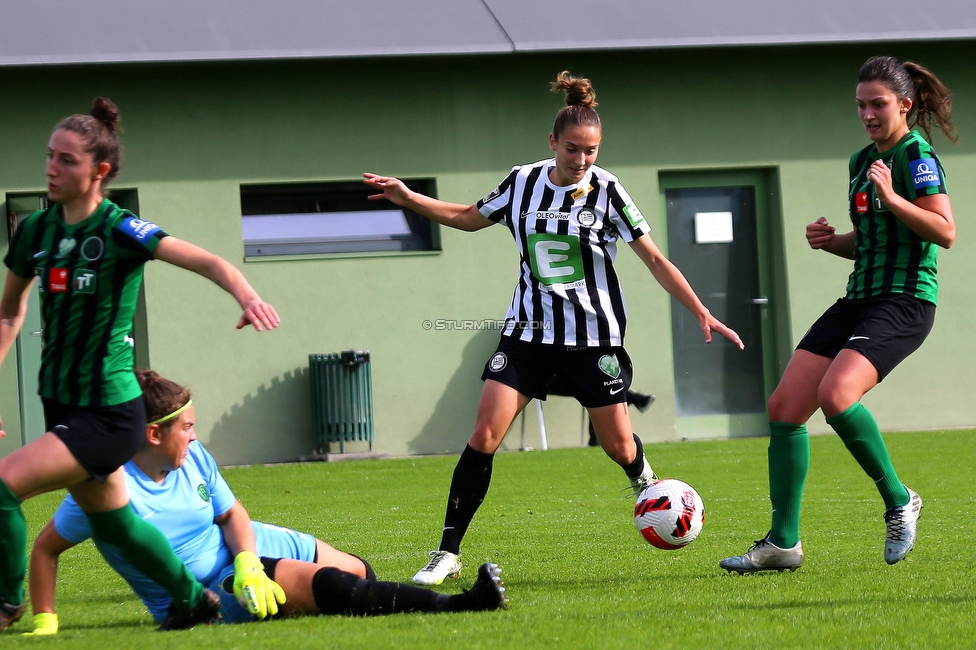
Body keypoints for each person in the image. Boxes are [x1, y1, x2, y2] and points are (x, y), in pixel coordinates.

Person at [364, 71, 744, 586]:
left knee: (619, 447)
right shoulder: (522, 181)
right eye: (573, 150)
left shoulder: (608, 190)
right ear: (552, 143)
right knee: (483, 435)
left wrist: (700, 308)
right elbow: (468, 217)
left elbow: (653, 258)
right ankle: (447, 551)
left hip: (593, 340)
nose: (583, 160)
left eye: (592, 151)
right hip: (526, 335)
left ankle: (646, 482)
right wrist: (409, 198)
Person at [0, 98, 281, 632]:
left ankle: (7, 603)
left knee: (2, 486)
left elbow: (208, 260)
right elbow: (10, 313)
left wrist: (245, 296)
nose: (51, 168)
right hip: (59, 401)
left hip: (107, 412)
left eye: (67, 160)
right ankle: (192, 601)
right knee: (115, 525)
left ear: (99, 172)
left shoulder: (122, 230)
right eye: (49, 156)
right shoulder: (35, 232)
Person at [26, 370, 507, 634]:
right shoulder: (103, 490)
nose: (195, 437)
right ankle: (462, 606)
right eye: (186, 428)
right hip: (212, 587)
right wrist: (46, 619)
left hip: (248, 548)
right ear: (153, 434)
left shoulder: (194, 460)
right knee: (333, 587)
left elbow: (232, 514)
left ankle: (355, 604)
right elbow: (46, 549)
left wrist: (251, 560)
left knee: (359, 572)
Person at [720, 56, 956, 574]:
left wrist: (892, 197)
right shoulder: (859, 161)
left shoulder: (917, 157)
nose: (868, 114)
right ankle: (782, 544)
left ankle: (900, 500)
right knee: (783, 408)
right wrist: (833, 243)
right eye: (861, 105)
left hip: (905, 300)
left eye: (878, 104)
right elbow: (875, 242)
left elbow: (943, 231)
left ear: (905, 105)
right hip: (859, 297)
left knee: (835, 395)